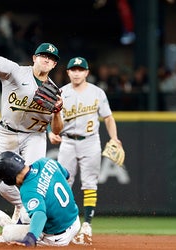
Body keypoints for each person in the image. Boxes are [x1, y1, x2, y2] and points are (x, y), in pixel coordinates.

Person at [0, 43, 64, 224]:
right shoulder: (17, 72)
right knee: (2, 185)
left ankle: (25, 220)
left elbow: (56, 130)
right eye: (43, 56)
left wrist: (57, 111)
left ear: (54, 65)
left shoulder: (55, 92)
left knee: (32, 181)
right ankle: (25, 208)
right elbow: (0, 62)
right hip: (7, 133)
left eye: (52, 59)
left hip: (34, 136)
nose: (47, 59)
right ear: (34, 58)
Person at [48, 57, 123, 245]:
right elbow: (49, 118)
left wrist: (114, 138)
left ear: (87, 72)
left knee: (90, 183)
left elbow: (108, 117)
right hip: (67, 141)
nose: (76, 72)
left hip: (90, 141)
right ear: (68, 72)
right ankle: (69, 223)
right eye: (73, 69)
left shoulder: (97, 92)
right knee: (64, 183)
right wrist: (50, 132)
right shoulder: (61, 92)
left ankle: (87, 224)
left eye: (80, 70)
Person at [0, 151, 80, 247]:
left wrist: (30, 240)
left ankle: (9, 225)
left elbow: (40, 215)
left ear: (8, 177)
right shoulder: (45, 161)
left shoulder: (27, 190)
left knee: (7, 232)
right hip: (75, 222)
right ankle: (16, 224)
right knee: (26, 210)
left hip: (57, 238)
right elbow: (66, 175)